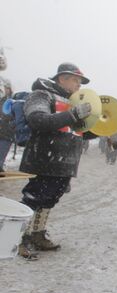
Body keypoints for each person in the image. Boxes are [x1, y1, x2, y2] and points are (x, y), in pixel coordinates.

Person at [18, 62, 96, 260]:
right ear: (62, 78)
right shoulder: (42, 95)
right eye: (76, 80)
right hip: (45, 158)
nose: (79, 85)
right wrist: (73, 114)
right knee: (34, 198)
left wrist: (96, 128)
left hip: (64, 163)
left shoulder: (73, 102)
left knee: (50, 198)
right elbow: (38, 120)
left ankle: (37, 234)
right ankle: (17, 238)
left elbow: (75, 132)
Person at [0, 78, 14, 172]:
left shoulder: (14, 101)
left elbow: (12, 116)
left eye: (7, 88)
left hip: (7, 134)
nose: (5, 89)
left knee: (1, 154)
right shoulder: (2, 100)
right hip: (2, 131)